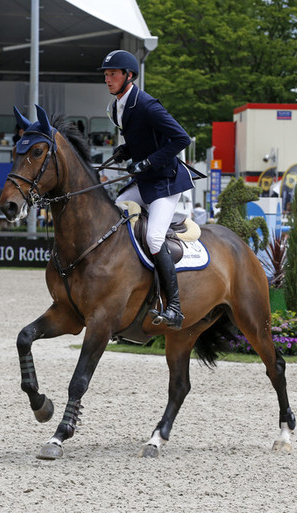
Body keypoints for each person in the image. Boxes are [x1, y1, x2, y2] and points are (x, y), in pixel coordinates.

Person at [101, 49, 193, 329]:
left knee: (154, 238)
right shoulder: (119, 105)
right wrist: (126, 150)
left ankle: (175, 307)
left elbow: (181, 138)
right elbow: (146, 137)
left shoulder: (148, 105)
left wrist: (149, 162)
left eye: (113, 74)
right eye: (106, 74)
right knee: (113, 215)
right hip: (144, 182)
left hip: (165, 183)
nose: (108, 79)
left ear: (129, 75)